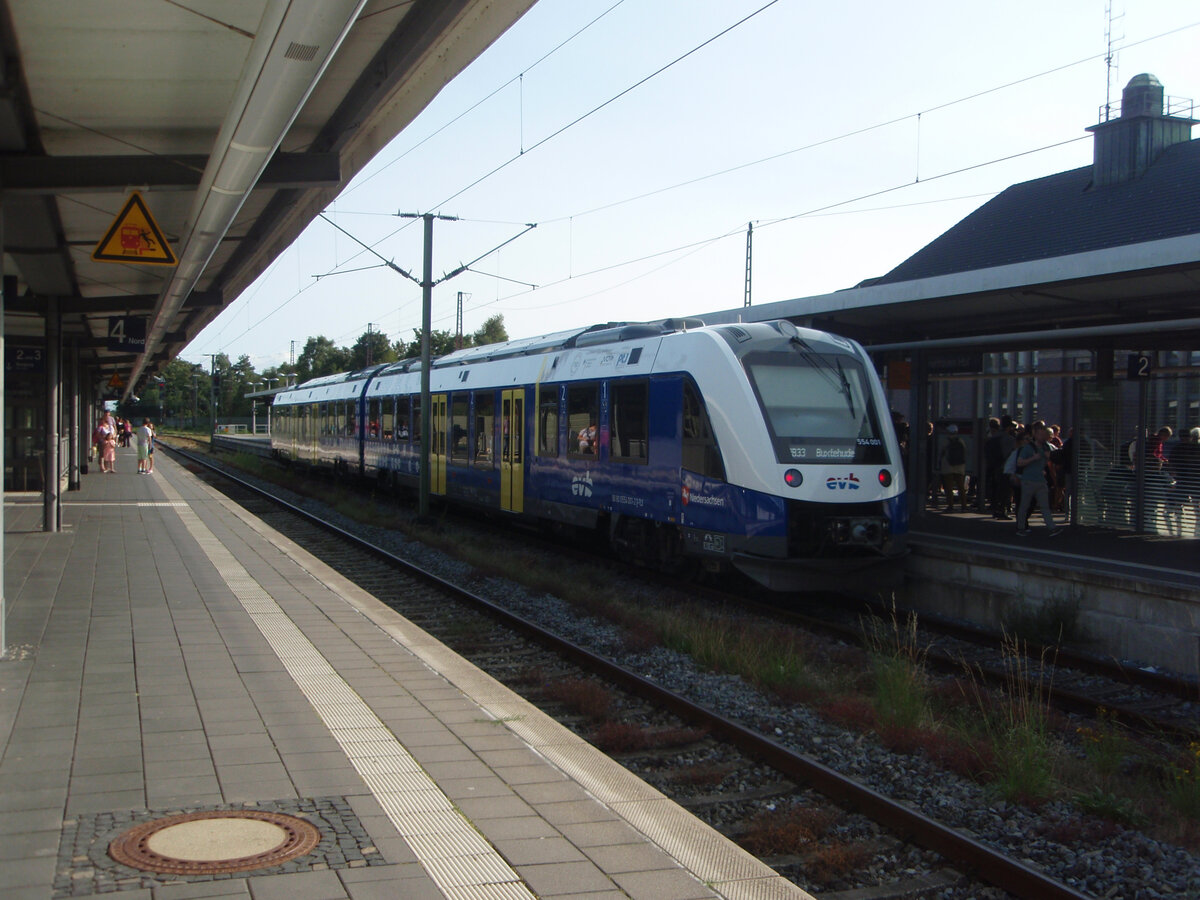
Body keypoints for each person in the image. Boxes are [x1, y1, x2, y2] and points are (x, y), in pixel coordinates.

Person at [1016, 423, 1063, 536]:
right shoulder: (1028, 448)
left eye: (1044, 434)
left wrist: (1049, 458)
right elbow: (1019, 462)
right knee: (1025, 505)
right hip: (1029, 480)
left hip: (1040, 480)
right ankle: (1021, 527)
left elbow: (1056, 454)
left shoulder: (1047, 446)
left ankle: (1052, 527)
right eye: (1041, 434)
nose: (1043, 437)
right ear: (1035, 435)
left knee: (1044, 506)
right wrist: (1033, 458)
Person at [1166, 427, 1200, 537]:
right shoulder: (1192, 448)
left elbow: (1171, 465)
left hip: (1186, 481)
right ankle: (1192, 528)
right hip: (1191, 481)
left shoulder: (1178, 449)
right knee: (1193, 505)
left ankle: (1182, 527)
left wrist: (1174, 474)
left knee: (1181, 505)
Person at [938, 424, 968, 512]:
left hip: (948, 466)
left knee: (949, 488)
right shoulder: (961, 441)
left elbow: (941, 453)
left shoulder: (945, 441)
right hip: (960, 467)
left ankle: (950, 506)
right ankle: (964, 506)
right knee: (961, 488)